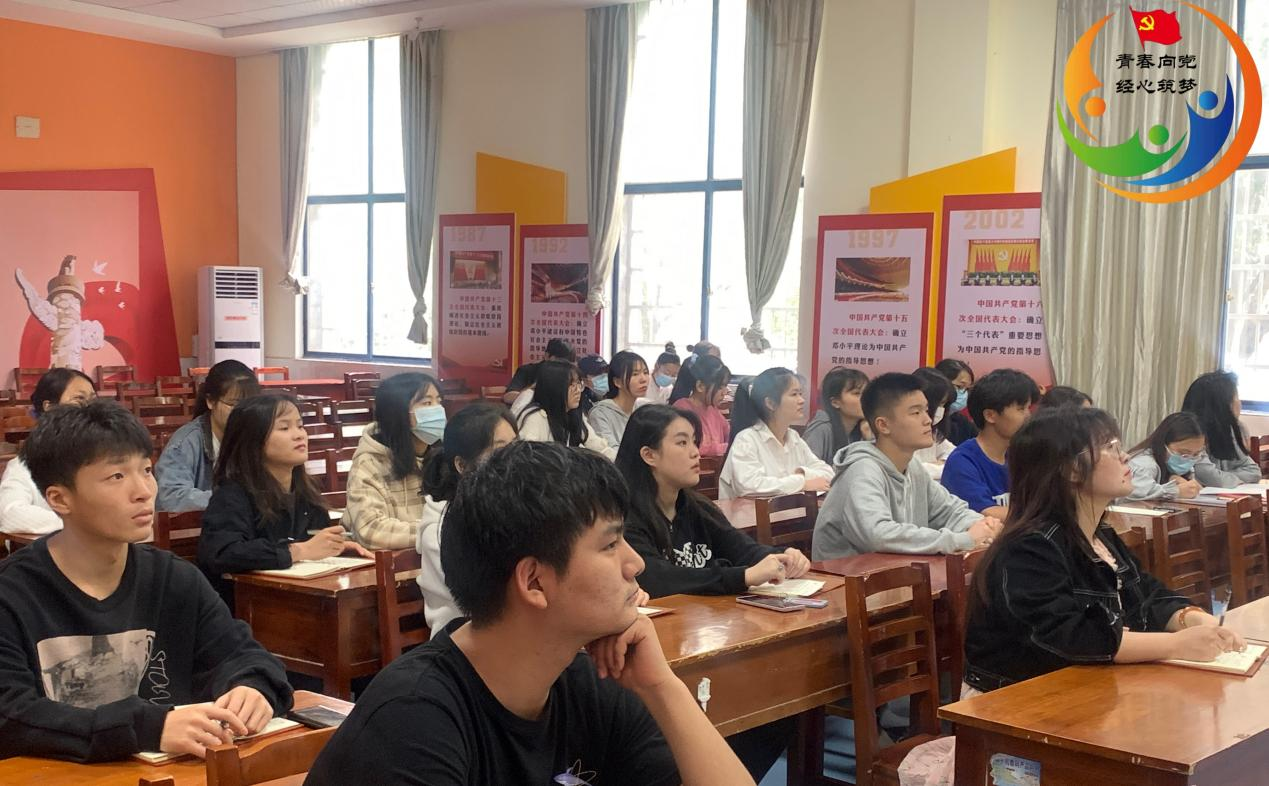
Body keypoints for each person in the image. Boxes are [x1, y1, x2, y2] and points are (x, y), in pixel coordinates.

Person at [306, 441, 756, 786]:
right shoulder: (414, 720)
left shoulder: (588, 683)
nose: (635, 563)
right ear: (535, 582)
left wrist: (663, 689)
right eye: (610, 544)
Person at [0, 400, 293, 762]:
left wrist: (252, 687)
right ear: (59, 499)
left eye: (146, 470)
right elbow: (11, 717)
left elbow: (243, 655)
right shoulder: (12, 593)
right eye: (117, 476)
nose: (144, 491)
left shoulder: (174, 578)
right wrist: (148, 728)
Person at [963, 407, 1243, 694]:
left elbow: (1145, 595)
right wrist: (1174, 644)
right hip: (1014, 699)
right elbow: (1068, 636)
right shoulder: (1030, 547)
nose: (1125, 457)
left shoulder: (1099, 534)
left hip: (1085, 687)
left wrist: (1190, 618)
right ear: (1072, 469)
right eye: (1110, 448)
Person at [617, 405, 809, 598]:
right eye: (682, 443)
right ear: (649, 455)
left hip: (704, 614)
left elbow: (740, 548)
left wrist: (782, 556)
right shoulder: (624, 518)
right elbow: (656, 578)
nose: (696, 452)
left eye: (694, 441)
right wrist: (743, 577)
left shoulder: (698, 508)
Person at [197, 395, 369, 602]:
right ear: (253, 439)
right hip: (250, 605)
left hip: (301, 598)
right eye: (285, 428)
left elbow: (311, 545)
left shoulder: (306, 492)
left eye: (300, 426)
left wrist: (335, 548)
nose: (299, 435)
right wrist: (299, 551)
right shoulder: (232, 494)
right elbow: (223, 553)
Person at [813, 373, 1000, 560]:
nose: (928, 420)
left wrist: (983, 525)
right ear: (883, 425)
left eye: (926, 410)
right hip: (848, 575)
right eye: (915, 413)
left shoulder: (912, 467)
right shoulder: (862, 470)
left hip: (896, 570)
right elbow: (878, 535)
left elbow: (949, 511)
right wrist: (962, 540)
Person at [417, 403, 519, 633]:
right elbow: (490, 600)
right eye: (500, 449)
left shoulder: (513, 505)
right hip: (466, 639)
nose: (513, 458)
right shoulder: (441, 527)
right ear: (462, 465)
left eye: (515, 445)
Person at [346, 373, 443, 549]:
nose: (437, 410)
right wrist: (438, 531)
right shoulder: (370, 463)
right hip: (392, 563)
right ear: (398, 412)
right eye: (427, 403)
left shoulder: (445, 457)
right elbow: (371, 530)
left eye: (439, 401)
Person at [0, 368, 97, 534]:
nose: (89, 408)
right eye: (79, 399)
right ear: (49, 407)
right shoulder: (24, 466)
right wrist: (84, 522)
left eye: (92, 400)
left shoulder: (106, 458)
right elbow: (10, 514)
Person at [155, 360, 259, 513]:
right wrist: (230, 499)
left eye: (249, 405)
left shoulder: (257, 435)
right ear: (210, 401)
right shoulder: (186, 442)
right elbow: (171, 497)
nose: (243, 412)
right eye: (233, 404)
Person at [719, 368, 833, 500]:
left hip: (790, 512)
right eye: (794, 394)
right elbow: (750, 486)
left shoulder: (793, 437)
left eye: (800, 394)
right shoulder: (747, 439)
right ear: (770, 403)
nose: (801, 400)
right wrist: (802, 483)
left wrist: (802, 473)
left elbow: (828, 473)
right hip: (748, 513)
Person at [940, 368, 1040, 519]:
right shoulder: (962, 461)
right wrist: (1043, 516)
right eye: (1021, 409)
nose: (1028, 416)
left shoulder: (1022, 456)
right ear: (990, 415)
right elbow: (987, 513)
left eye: (1028, 408)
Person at [516, 360, 616, 459]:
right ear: (553, 387)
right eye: (571, 385)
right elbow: (528, 460)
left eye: (579, 384)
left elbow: (599, 448)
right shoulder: (535, 418)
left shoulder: (574, 414)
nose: (578, 390)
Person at [1182, 370, 1261, 488]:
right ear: (1222, 405)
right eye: (1236, 397)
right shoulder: (1190, 433)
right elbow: (1211, 478)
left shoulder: (1228, 432)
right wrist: (1224, 478)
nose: (1240, 403)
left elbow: (1254, 472)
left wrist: (1223, 477)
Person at [1125, 412, 1205, 501]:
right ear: (1163, 445)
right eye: (1183, 453)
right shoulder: (1144, 464)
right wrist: (1175, 491)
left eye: (1196, 454)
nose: (1189, 460)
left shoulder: (1179, 467)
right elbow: (1133, 495)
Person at [802, 367, 868, 466]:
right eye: (857, 393)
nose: (866, 398)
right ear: (835, 402)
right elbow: (806, 469)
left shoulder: (863, 429)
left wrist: (869, 440)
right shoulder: (821, 428)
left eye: (867, 392)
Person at [669, 354, 732, 457]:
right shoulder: (682, 409)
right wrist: (727, 447)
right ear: (700, 386)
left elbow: (729, 433)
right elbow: (694, 448)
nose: (725, 392)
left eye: (725, 386)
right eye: (720, 387)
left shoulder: (712, 409)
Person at [589, 350, 651, 448]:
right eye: (635, 374)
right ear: (617, 382)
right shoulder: (600, 413)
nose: (643, 379)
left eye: (645, 372)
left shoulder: (644, 409)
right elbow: (608, 451)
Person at [503, 337, 576, 406]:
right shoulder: (527, 370)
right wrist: (535, 393)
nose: (563, 367)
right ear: (547, 356)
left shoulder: (573, 375)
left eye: (567, 364)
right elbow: (508, 397)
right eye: (559, 362)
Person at [911, 367, 956, 466]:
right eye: (939, 403)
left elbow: (955, 455)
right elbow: (913, 470)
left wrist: (939, 464)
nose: (941, 409)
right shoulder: (903, 432)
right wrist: (939, 466)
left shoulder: (934, 431)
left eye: (944, 404)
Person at [935, 358, 978, 445]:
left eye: (967, 389)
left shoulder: (962, 423)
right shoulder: (927, 418)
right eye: (959, 387)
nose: (964, 394)